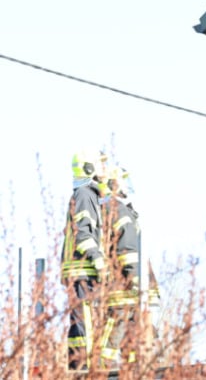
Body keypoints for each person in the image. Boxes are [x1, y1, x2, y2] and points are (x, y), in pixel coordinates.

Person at [61, 149, 109, 370]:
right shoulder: (85, 195)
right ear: (90, 169)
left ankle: (79, 366)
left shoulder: (85, 195)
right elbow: (83, 233)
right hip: (83, 270)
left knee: (81, 321)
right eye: (101, 167)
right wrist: (99, 261)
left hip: (79, 271)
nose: (105, 172)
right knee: (85, 322)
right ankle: (83, 367)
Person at [100, 164, 141, 367]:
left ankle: (129, 369)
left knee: (131, 334)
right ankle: (103, 369)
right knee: (116, 330)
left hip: (119, 285)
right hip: (121, 286)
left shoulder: (110, 210)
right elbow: (127, 249)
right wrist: (134, 278)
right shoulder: (119, 212)